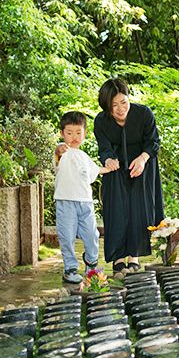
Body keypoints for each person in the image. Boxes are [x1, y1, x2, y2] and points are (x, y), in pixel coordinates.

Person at [93, 78, 163, 276]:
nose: (120, 108)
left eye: (123, 102)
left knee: (138, 210)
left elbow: (153, 142)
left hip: (141, 167)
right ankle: (117, 259)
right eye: (114, 105)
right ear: (107, 106)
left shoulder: (143, 114)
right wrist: (108, 160)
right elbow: (104, 148)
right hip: (115, 170)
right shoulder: (101, 121)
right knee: (116, 210)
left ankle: (134, 256)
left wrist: (142, 159)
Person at [53, 111, 111, 284]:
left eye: (79, 133)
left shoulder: (84, 156)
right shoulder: (62, 151)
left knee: (91, 235)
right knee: (67, 236)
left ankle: (91, 264)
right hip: (65, 201)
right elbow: (57, 155)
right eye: (69, 133)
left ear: (85, 134)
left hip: (85, 203)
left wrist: (110, 168)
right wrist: (59, 149)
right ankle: (70, 268)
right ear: (62, 134)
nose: (74, 137)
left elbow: (95, 171)